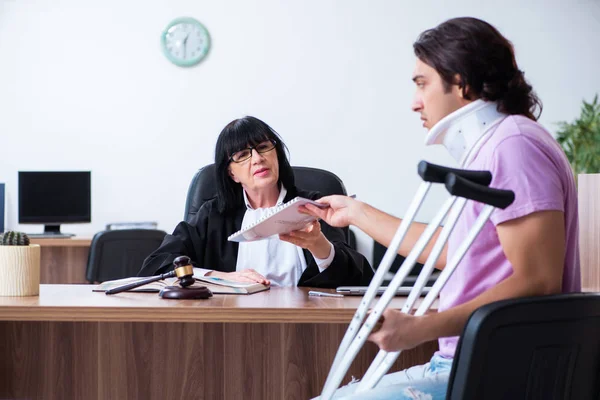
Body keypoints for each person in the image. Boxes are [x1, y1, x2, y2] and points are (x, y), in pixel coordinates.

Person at [306, 17, 580, 399]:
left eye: (422, 83)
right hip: (472, 358)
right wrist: (356, 212)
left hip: (500, 369)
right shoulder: (500, 144)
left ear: (462, 82)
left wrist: (422, 327)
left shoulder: (513, 146)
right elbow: (461, 251)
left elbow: (539, 279)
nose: (415, 101)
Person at [139, 116, 372, 288]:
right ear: (232, 174)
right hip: (230, 327)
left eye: (262, 148)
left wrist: (320, 246)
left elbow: (360, 279)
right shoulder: (214, 214)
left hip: (308, 329)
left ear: (277, 155)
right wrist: (218, 277)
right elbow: (157, 265)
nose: (258, 159)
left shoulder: (312, 206)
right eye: (242, 155)